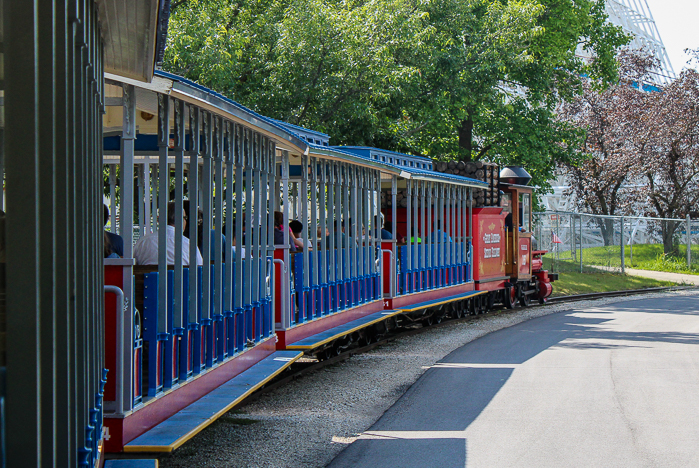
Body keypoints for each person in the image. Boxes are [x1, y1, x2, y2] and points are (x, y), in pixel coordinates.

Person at [134, 201, 203, 266]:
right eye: (185, 218)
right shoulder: (189, 244)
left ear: (158, 220)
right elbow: (200, 268)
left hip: (150, 278)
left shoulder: (142, 242)